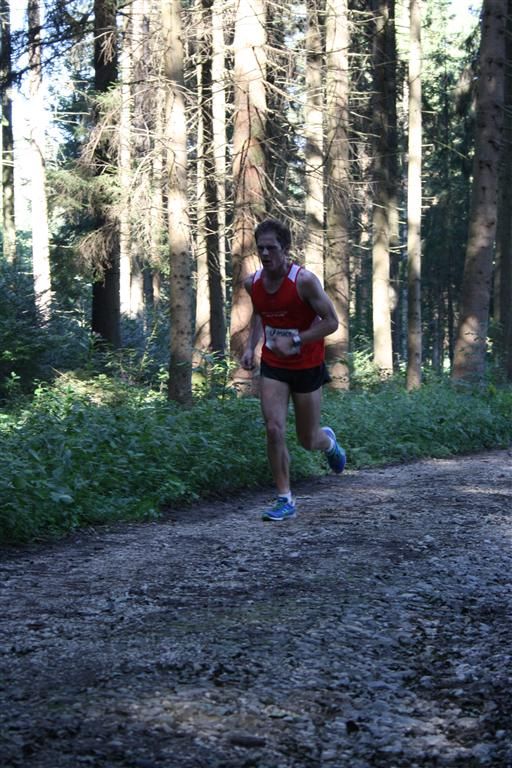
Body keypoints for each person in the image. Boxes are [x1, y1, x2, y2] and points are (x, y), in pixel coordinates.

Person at [241, 218, 346, 521]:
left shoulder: (304, 281)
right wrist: (250, 347)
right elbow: (259, 314)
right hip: (274, 364)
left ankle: (328, 442)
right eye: (260, 248)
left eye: (271, 248)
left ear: (285, 248)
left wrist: (297, 339)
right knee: (274, 428)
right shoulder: (253, 284)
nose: (265, 254)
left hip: (307, 365)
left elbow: (331, 322)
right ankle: (284, 498)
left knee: (307, 439)